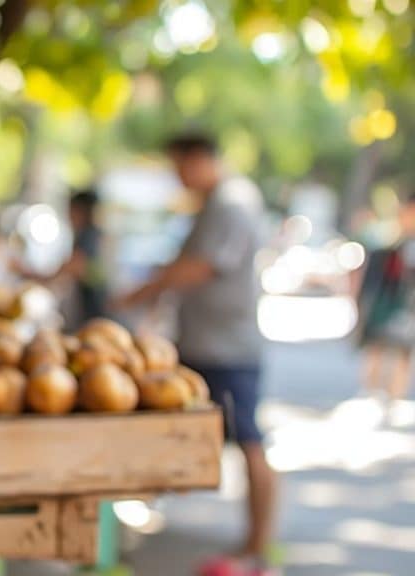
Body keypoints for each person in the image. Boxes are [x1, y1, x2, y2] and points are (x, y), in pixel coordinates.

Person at [116, 133, 277, 576]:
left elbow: (202, 266)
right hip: (203, 343)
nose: (177, 177)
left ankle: (258, 546)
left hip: (228, 348)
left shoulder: (232, 201)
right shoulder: (212, 204)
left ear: (200, 160)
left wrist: (145, 291)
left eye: (178, 166)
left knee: (250, 443)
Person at [15, 188, 108, 330]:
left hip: (94, 310)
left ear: (80, 210)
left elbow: (72, 267)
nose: (68, 215)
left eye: (71, 209)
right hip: (91, 308)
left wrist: (33, 275)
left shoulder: (89, 236)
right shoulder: (90, 235)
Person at [356, 196, 415, 408]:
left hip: (407, 305)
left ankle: (394, 397)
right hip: (384, 302)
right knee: (376, 347)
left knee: (402, 352)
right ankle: (370, 393)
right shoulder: (388, 240)